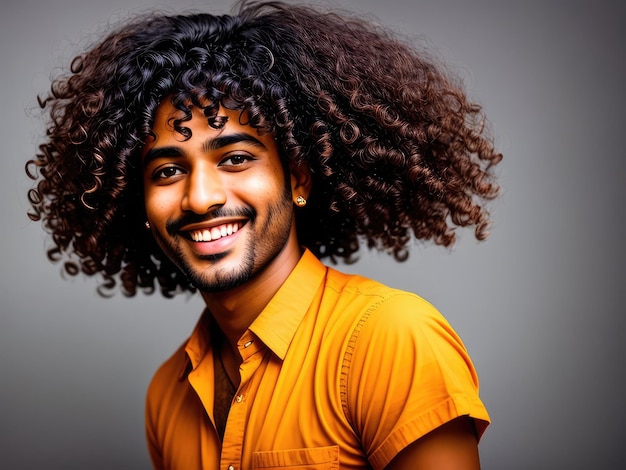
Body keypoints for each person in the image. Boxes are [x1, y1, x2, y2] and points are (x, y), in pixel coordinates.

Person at [26, 1, 502, 468]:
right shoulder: (166, 394)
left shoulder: (392, 338)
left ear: (297, 179)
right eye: (169, 170)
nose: (200, 198)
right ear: (142, 206)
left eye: (234, 158)